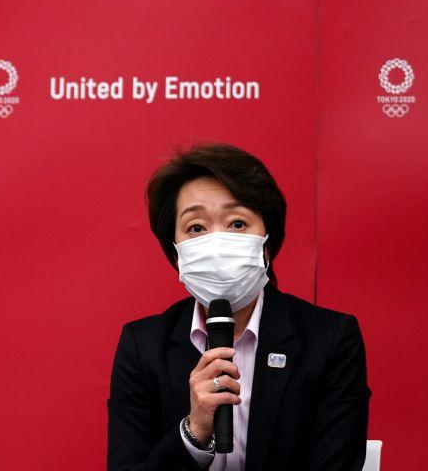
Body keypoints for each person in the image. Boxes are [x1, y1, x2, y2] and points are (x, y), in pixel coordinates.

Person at [107, 143, 369, 471]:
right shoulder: (143, 347)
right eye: (196, 228)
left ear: (267, 244)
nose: (217, 244)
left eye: (237, 224)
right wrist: (194, 433)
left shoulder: (330, 339)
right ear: (176, 254)